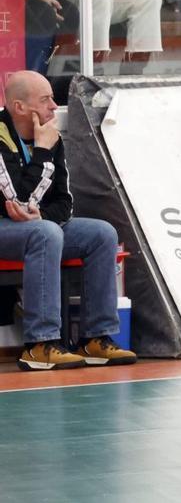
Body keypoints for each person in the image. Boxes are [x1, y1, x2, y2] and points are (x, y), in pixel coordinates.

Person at [0, 70, 137, 370]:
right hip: (5, 226)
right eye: (45, 99)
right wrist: (42, 153)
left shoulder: (50, 136)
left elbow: (64, 202)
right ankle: (40, 344)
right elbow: (19, 200)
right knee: (46, 234)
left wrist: (42, 215)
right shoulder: (2, 136)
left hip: (37, 225)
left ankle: (96, 339)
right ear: (19, 107)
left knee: (101, 233)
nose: (53, 106)